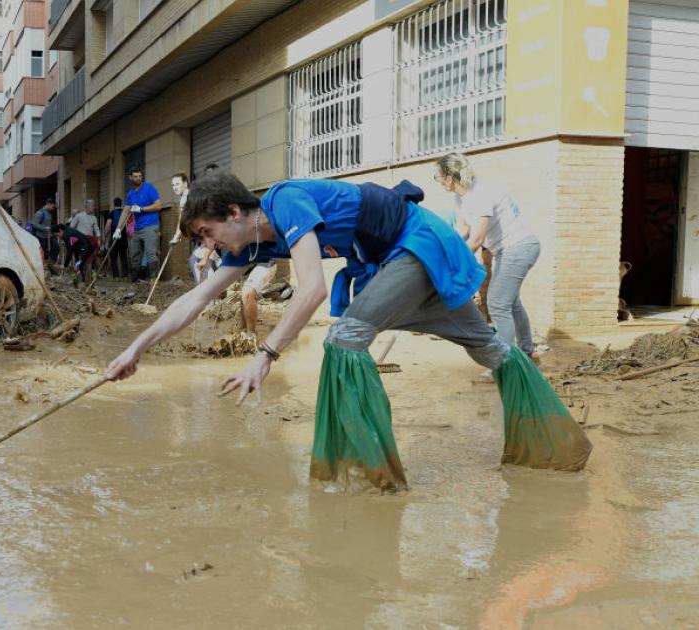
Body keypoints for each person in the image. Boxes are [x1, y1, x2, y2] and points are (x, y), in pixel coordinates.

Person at [105, 172, 591, 493]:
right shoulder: (251, 246)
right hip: (396, 257)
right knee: (490, 348)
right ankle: (557, 448)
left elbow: (313, 289)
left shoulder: (285, 202)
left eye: (207, 233)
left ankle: (369, 477)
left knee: (346, 336)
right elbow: (194, 300)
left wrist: (265, 355)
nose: (209, 246)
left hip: (417, 243)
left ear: (234, 213)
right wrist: (134, 350)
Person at [436, 153, 540, 363]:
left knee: (498, 303)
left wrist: (453, 262)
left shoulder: (480, 194)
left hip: (519, 247)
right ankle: (527, 352)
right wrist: (445, 249)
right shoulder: (461, 197)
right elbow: (463, 229)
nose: (437, 181)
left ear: (450, 177)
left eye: (438, 176)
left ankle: (504, 362)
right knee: (511, 302)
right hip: (506, 251)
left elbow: (477, 239)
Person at [123, 167, 163, 282]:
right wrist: (118, 229)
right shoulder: (130, 194)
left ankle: (153, 282)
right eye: (135, 176)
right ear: (130, 178)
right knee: (134, 255)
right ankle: (135, 282)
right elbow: (125, 212)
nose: (138, 178)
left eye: (140, 176)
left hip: (150, 226)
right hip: (136, 228)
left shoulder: (149, 188)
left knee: (151, 254)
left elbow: (159, 205)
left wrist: (141, 209)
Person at [69, 200, 102, 280]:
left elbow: (96, 229)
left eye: (94, 206)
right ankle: (77, 278)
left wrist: (98, 239)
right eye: (92, 206)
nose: (94, 208)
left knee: (90, 261)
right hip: (80, 241)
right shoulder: (79, 216)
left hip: (90, 241)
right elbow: (71, 228)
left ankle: (88, 279)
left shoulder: (94, 218)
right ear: (87, 206)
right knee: (80, 260)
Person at [104, 197, 131, 280]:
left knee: (113, 258)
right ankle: (125, 275)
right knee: (123, 257)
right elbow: (129, 225)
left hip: (114, 238)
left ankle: (116, 276)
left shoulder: (112, 213)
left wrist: (105, 235)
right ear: (121, 204)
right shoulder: (124, 212)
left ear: (114, 204)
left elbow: (108, 225)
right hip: (123, 239)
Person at [32, 199, 57, 264]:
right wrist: (44, 228)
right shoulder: (40, 213)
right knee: (42, 253)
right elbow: (35, 224)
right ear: (48, 204)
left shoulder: (49, 213)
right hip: (41, 237)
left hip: (49, 235)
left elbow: (49, 224)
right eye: (52, 206)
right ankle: (42, 265)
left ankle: (50, 262)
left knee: (56, 247)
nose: (53, 208)